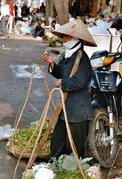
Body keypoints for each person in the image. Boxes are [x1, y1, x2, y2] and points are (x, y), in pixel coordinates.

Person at [42, 19, 97, 159]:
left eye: (67, 37)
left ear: (75, 39)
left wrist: (62, 82)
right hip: (65, 106)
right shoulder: (68, 56)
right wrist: (52, 64)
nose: (64, 39)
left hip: (78, 109)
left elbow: (79, 82)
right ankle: (55, 166)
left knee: (74, 148)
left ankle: (74, 171)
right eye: (64, 36)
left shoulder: (82, 58)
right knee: (57, 142)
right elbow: (61, 72)